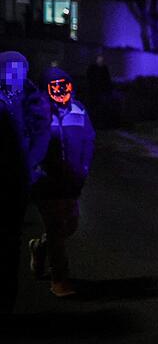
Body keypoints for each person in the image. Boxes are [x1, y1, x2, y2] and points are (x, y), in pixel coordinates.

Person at [28, 67, 95, 297]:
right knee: (56, 228)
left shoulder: (79, 110)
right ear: (46, 88)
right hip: (46, 183)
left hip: (72, 182)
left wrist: (84, 168)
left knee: (70, 225)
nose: (60, 90)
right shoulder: (38, 113)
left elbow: (89, 139)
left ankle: (40, 247)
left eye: (64, 85)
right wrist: (35, 168)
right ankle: (59, 279)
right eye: (54, 86)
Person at [0, 51, 50, 313]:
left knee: (11, 240)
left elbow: (41, 135)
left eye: (20, 69)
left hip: (17, 178)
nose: (14, 74)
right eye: (9, 69)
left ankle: (7, 300)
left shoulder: (32, 101)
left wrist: (28, 165)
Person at [86, 54, 113, 128]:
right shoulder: (93, 68)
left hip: (101, 92)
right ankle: (96, 123)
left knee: (101, 108)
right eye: (99, 59)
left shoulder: (104, 68)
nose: (100, 61)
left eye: (101, 60)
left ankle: (101, 123)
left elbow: (107, 80)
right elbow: (90, 79)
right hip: (94, 92)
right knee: (95, 108)